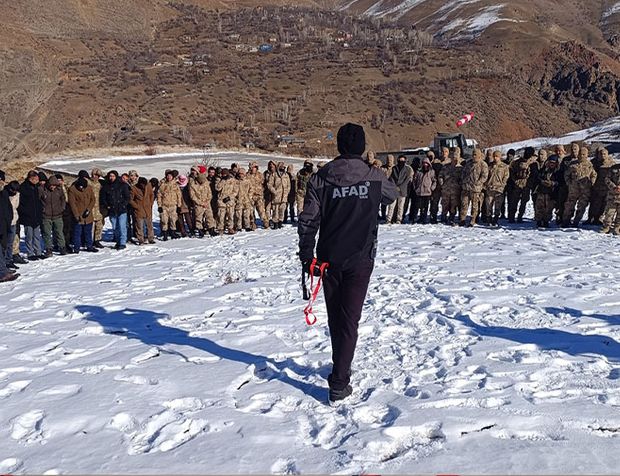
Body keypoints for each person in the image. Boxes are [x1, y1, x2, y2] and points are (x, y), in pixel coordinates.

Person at [298, 123, 398, 402]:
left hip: (329, 258)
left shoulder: (321, 178)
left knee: (336, 317)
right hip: (361, 258)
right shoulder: (374, 176)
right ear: (362, 147)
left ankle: (341, 364)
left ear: (339, 146)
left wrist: (306, 255)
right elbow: (393, 195)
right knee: (349, 319)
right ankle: (339, 381)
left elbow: (308, 220)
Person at [18, 171, 45, 260]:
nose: (37, 180)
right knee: (29, 236)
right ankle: (30, 253)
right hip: (27, 216)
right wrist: (25, 212)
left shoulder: (36, 187)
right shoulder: (23, 188)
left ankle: (38, 252)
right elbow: (21, 204)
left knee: (37, 236)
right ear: (31, 178)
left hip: (36, 215)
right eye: (36, 179)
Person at [101, 170, 131, 249]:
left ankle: (122, 242)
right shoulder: (106, 186)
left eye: (113, 176)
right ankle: (118, 241)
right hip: (112, 210)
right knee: (115, 227)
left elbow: (127, 197)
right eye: (110, 176)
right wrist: (107, 206)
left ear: (116, 176)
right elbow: (103, 198)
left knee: (122, 226)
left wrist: (123, 205)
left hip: (121, 210)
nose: (111, 178)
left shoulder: (122, 185)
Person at [68, 177, 99, 253]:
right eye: (80, 187)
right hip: (78, 214)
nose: (81, 189)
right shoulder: (72, 190)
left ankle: (89, 246)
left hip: (88, 215)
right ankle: (76, 248)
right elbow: (72, 204)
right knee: (77, 232)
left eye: (83, 187)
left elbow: (93, 199)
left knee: (88, 232)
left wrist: (89, 209)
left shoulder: (89, 188)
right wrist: (76, 215)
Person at [39, 175, 67, 257]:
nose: (53, 187)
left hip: (58, 215)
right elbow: (39, 200)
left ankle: (62, 247)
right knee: (47, 233)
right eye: (51, 185)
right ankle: (48, 249)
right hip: (46, 216)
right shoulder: (42, 190)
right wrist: (42, 209)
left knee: (59, 232)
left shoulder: (59, 190)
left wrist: (62, 208)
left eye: (54, 185)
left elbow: (63, 199)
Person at [459, 149, 489, 227]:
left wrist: (478, 183)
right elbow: (463, 173)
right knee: (464, 204)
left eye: (475, 154)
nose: (474, 156)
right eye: (473, 154)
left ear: (479, 155)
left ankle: (473, 220)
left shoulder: (483, 164)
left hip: (476, 189)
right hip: (466, 188)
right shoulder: (468, 163)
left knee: (475, 206)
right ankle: (462, 219)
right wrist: (464, 181)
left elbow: (484, 176)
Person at [507, 147, 534, 223]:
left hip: (526, 185)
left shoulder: (533, 163)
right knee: (514, 201)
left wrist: (529, 183)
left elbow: (534, 175)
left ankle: (520, 217)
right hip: (518, 184)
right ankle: (512, 217)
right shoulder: (517, 162)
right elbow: (512, 172)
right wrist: (515, 180)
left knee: (523, 202)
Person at [587, 147, 614, 225]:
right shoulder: (593, 162)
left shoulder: (611, 163)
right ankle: (591, 218)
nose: (602, 155)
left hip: (607, 188)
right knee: (594, 203)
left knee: (604, 204)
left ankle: (600, 218)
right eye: (601, 154)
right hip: (595, 187)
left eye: (604, 154)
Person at [534, 156, 561, 228]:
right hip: (541, 191)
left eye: (553, 163)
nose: (552, 164)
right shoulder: (543, 170)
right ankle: (539, 221)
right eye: (550, 162)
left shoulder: (558, 172)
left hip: (551, 193)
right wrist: (542, 182)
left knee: (548, 208)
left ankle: (546, 221)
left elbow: (560, 182)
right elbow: (537, 178)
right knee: (539, 207)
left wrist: (553, 183)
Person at [484, 150, 509, 227]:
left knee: (498, 206)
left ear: (500, 157)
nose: (495, 158)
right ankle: (489, 219)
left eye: (497, 156)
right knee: (488, 205)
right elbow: (486, 176)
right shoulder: (489, 166)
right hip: (490, 189)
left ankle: (495, 219)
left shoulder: (504, 166)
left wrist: (502, 185)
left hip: (499, 189)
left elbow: (506, 177)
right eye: (494, 156)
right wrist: (486, 185)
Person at [0, 179, 19, 282]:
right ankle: (2, 272)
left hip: (4, 225)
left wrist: (8, 220)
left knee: (4, 247)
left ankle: (4, 269)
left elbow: (8, 209)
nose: (2, 183)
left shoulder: (3, 194)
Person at [386, 155, 413, 224]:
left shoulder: (408, 169)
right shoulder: (394, 168)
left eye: (403, 160)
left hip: (403, 189)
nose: (401, 162)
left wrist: (400, 187)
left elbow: (407, 179)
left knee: (400, 206)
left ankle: (399, 219)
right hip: (394, 189)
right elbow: (391, 178)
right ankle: (389, 219)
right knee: (391, 205)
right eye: (400, 160)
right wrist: (394, 186)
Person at [157, 170, 182, 241]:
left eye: (170, 176)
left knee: (173, 220)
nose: (169, 177)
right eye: (168, 176)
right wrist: (159, 206)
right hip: (164, 206)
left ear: (172, 177)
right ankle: (165, 234)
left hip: (173, 205)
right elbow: (159, 195)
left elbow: (179, 195)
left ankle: (173, 233)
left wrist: (179, 206)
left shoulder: (176, 185)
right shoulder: (163, 184)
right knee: (164, 220)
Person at [439, 149, 462, 225]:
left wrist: (459, 184)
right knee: (445, 204)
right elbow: (440, 176)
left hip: (455, 191)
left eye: (456, 158)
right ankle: (443, 217)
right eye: (453, 158)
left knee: (453, 205)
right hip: (446, 190)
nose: (454, 159)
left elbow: (463, 178)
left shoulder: (460, 168)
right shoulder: (445, 167)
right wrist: (442, 184)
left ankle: (452, 217)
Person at [129, 177, 155, 244]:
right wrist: (136, 206)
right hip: (139, 210)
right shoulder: (134, 188)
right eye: (142, 184)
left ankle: (151, 238)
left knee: (149, 225)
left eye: (144, 184)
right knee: (139, 226)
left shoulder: (148, 186)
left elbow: (152, 195)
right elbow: (130, 199)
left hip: (148, 209)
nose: (143, 186)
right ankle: (141, 239)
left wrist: (150, 203)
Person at [190, 172, 216, 237]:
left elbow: (209, 193)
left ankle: (211, 229)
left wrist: (207, 201)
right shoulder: (193, 185)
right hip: (198, 204)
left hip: (207, 203)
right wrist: (201, 203)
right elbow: (193, 196)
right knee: (199, 217)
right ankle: (200, 230)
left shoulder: (206, 184)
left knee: (209, 216)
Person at [267, 162, 291, 229]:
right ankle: (275, 223)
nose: (282, 168)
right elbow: (269, 184)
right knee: (275, 211)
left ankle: (280, 222)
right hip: (276, 197)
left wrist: (287, 192)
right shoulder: (274, 175)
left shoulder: (286, 175)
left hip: (284, 197)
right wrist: (274, 191)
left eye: (283, 167)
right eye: (281, 167)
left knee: (282, 210)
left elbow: (289, 185)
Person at [412, 157, 436, 224]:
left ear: (428, 164)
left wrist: (432, 188)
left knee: (425, 207)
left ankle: (424, 218)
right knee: (417, 206)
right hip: (419, 192)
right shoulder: (419, 171)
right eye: (424, 163)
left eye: (426, 163)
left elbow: (434, 181)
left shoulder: (432, 172)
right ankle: (415, 218)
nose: (425, 164)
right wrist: (415, 188)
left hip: (427, 192)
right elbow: (414, 180)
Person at [215, 168, 239, 235]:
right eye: (223, 174)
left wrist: (230, 197)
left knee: (230, 215)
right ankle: (220, 228)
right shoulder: (219, 180)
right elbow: (217, 188)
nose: (225, 175)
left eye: (226, 174)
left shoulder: (233, 181)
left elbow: (235, 191)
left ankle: (230, 228)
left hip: (230, 201)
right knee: (221, 216)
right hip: (221, 201)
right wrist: (222, 181)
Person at [4, 181, 20, 269]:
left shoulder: (17, 194)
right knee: (4, 243)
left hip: (13, 220)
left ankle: (9, 260)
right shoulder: (4, 194)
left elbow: (16, 206)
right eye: (13, 191)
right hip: (5, 222)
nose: (15, 193)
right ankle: (3, 262)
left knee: (10, 242)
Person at [248, 163, 269, 230]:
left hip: (259, 195)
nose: (253, 169)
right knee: (251, 211)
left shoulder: (260, 175)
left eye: (254, 167)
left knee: (261, 210)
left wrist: (262, 190)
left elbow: (264, 183)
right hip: (250, 195)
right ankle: (252, 223)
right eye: (252, 167)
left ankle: (265, 221)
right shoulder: (247, 175)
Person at [601, 163, 620, 234]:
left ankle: (617, 227)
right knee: (609, 212)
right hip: (613, 195)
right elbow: (607, 179)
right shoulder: (614, 168)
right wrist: (614, 187)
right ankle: (606, 227)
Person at [90, 168, 105, 248]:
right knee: (91, 227)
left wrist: (101, 173)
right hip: (91, 208)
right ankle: (90, 241)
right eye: (94, 175)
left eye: (97, 175)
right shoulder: (89, 183)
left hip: (99, 208)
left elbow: (107, 178)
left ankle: (97, 240)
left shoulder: (101, 184)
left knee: (99, 226)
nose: (95, 177)